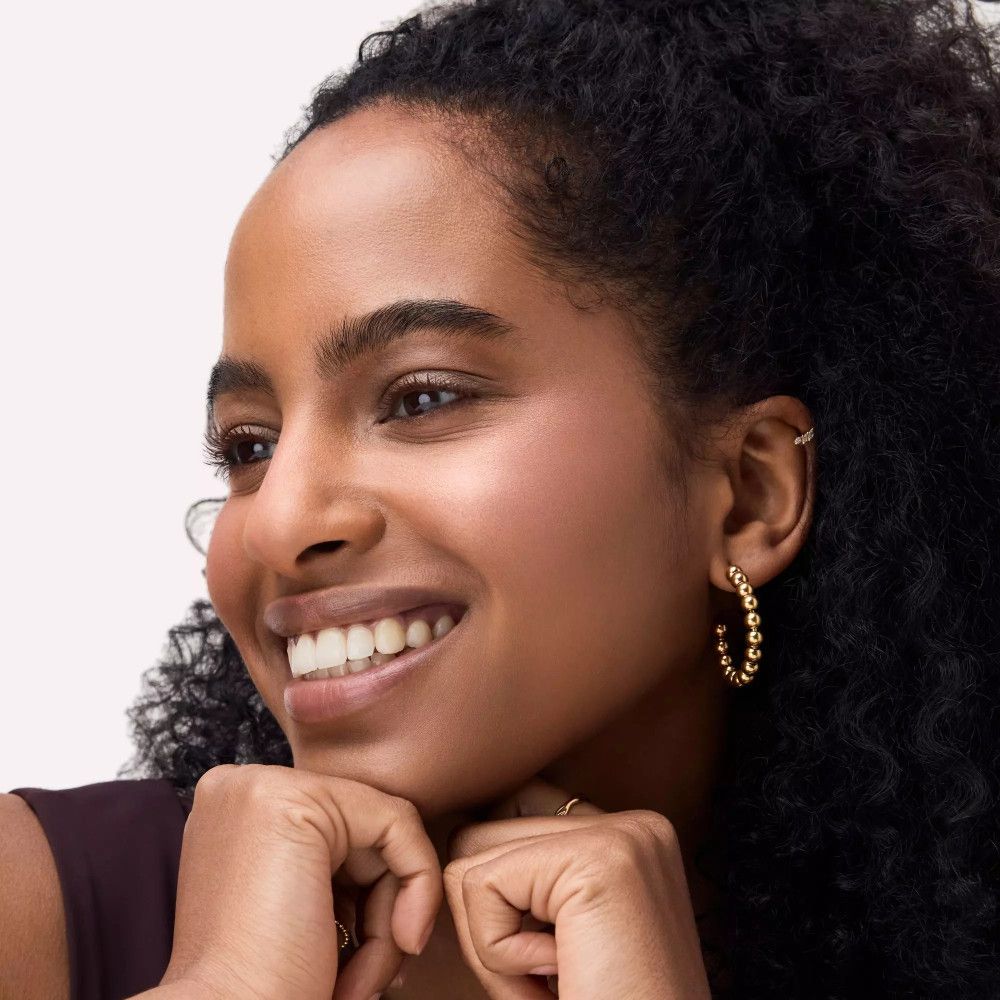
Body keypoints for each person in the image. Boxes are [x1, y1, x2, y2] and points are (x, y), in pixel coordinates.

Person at [4, 0, 999, 996]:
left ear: (747, 494)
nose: (275, 517)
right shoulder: (42, 904)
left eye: (422, 397)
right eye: (249, 444)